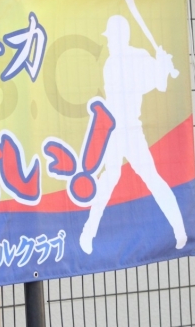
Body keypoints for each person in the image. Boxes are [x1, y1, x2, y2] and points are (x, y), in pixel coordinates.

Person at [79, 15, 188, 255]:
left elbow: (161, 85)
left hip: (133, 130)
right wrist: (159, 68)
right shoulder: (112, 64)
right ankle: (88, 233)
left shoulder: (139, 57)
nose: (109, 42)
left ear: (120, 37)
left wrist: (163, 66)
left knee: (153, 179)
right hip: (116, 131)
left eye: (111, 37)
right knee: (109, 180)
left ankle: (180, 231)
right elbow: (140, 84)